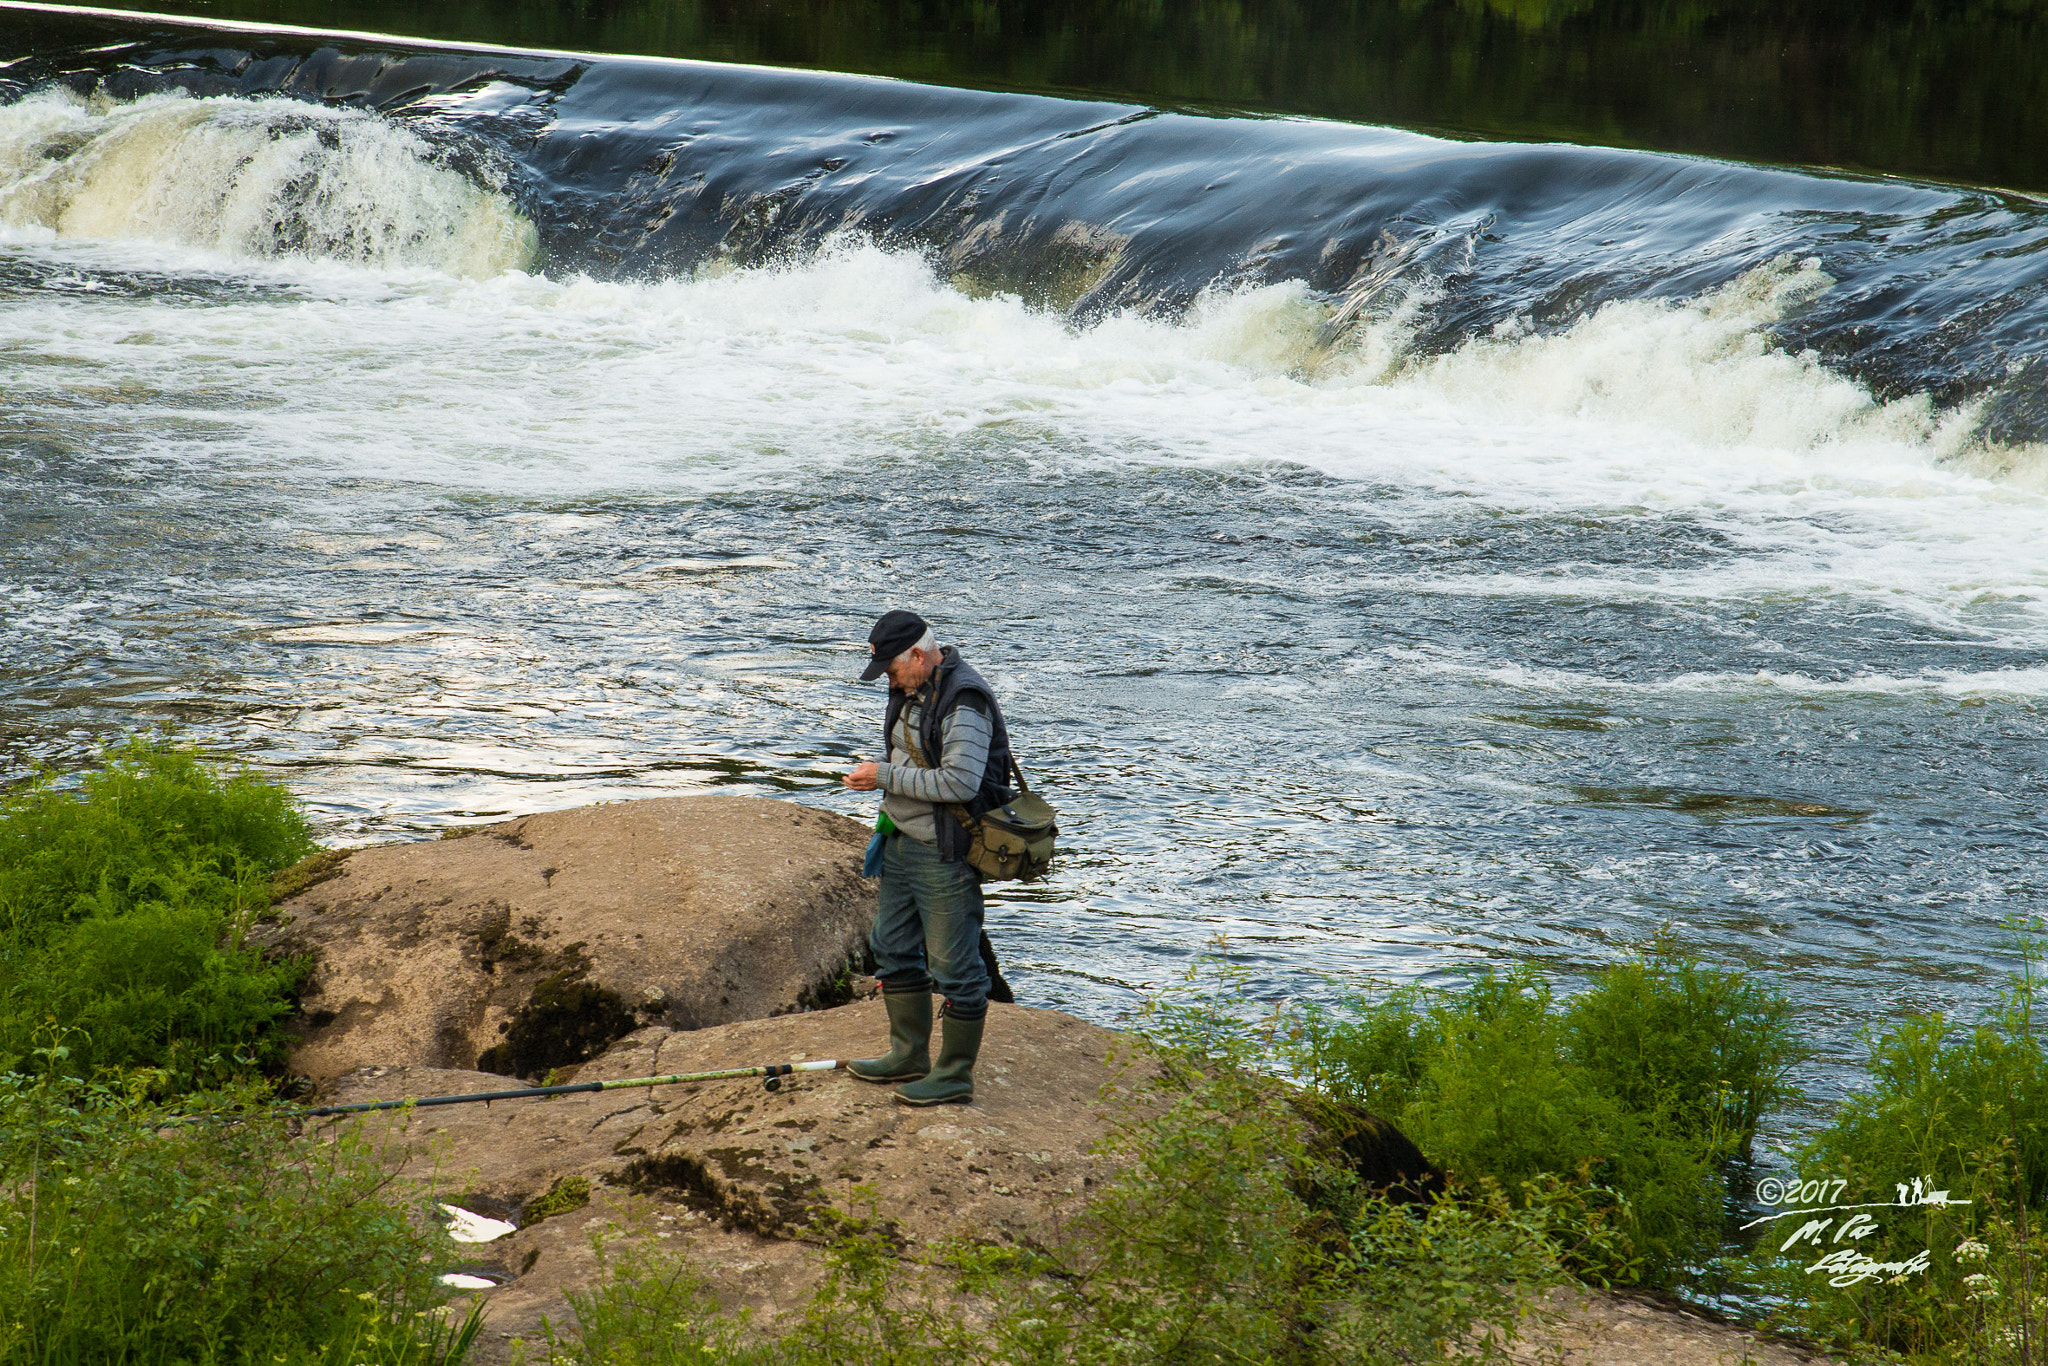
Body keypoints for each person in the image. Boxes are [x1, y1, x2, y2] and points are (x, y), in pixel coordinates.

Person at [841, 609, 1015, 1106]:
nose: (888, 682)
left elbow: (960, 782)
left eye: (892, 671)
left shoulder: (966, 700)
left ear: (918, 655)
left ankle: (955, 1075)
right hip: (900, 841)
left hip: (945, 851)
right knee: (891, 948)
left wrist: (884, 778)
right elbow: (905, 757)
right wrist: (884, 784)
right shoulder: (911, 688)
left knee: (955, 967)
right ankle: (908, 1055)